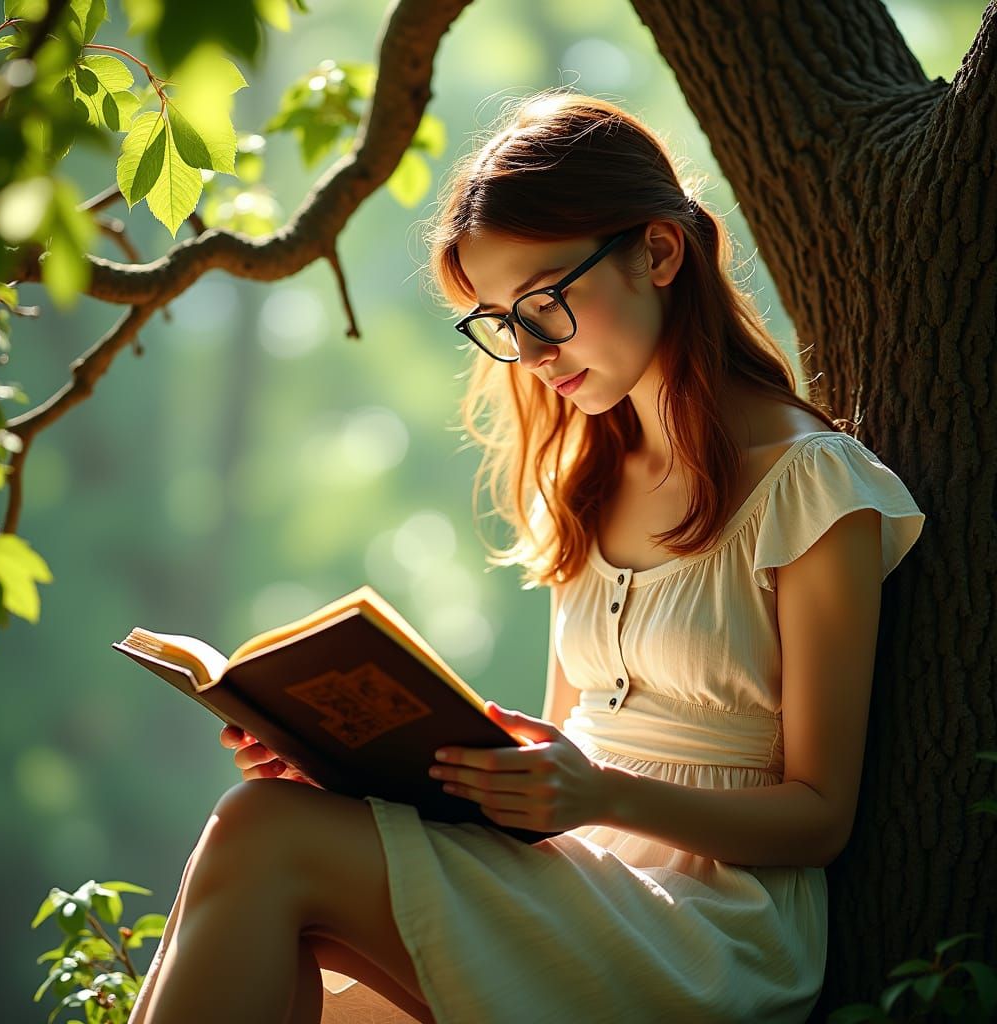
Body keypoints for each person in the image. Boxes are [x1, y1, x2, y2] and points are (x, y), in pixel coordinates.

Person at [127, 90, 926, 1024]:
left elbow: (820, 816)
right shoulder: (586, 483)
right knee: (277, 884)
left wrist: (594, 792)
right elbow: (555, 759)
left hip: (715, 931)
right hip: (576, 883)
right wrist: (346, 766)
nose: (534, 352)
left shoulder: (812, 486)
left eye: (546, 302)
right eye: (504, 322)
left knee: (259, 839)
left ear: (659, 253)